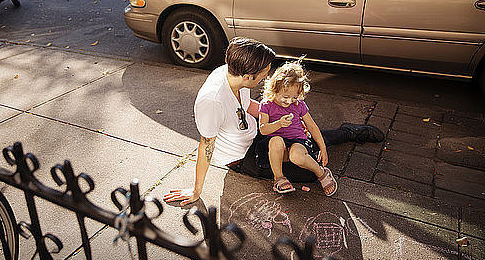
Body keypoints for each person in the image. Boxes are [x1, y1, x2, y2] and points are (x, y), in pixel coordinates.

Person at [163, 37, 384, 207]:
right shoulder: (212, 101)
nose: (266, 78)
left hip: (259, 131)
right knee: (308, 172)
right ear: (248, 75)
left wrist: (282, 120)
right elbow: (206, 146)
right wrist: (196, 191)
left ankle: (348, 133)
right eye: (264, 74)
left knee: (301, 140)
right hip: (241, 156)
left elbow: (247, 106)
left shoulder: (231, 73)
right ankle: (335, 138)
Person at [256, 59, 337, 196]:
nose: (289, 101)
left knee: (297, 157)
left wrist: (322, 148)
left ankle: (321, 173)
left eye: (294, 97)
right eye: (286, 97)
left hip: (297, 141)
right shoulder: (266, 104)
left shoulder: (298, 105)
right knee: (276, 141)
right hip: (278, 149)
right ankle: (279, 178)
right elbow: (263, 129)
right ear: (275, 89)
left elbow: (312, 126)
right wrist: (279, 124)